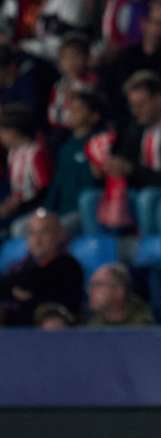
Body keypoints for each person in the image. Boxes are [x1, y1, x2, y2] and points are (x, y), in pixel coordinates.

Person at [79, 70, 161, 237]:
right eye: (132, 106)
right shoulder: (134, 127)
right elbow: (123, 161)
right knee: (89, 199)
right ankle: (101, 250)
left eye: (141, 105)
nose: (136, 111)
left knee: (146, 198)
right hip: (139, 190)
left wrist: (131, 170)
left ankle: (149, 251)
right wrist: (108, 170)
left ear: (159, 99)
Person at [0, 210, 83, 326]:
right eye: (32, 233)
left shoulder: (69, 267)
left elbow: (64, 304)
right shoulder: (20, 266)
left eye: (44, 232)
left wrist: (23, 295)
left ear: (59, 236)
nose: (37, 240)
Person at [43, 90, 104, 235]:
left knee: (51, 232)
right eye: (71, 109)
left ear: (94, 116)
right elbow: (57, 183)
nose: (72, 113)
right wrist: (45, 211)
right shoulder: (65, 147)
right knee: (24, 227)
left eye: (78, 109)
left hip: (86, 213)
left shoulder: (100, 144)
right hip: (61, 212)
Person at [0, 104, 51, 236]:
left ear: (14, 132)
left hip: (34, 207)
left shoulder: (36, 153)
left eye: (2, 131)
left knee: (17, 227)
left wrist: (20, 203)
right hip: (19, 207)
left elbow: (44, 188)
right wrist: (9, 203)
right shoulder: (12, 154)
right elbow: (15, 188)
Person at [86, 262, 154, 327]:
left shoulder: (143, 325)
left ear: (119, 290)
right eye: (91, 285)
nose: (89, 291)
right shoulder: (93, 325)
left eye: (98, 285)